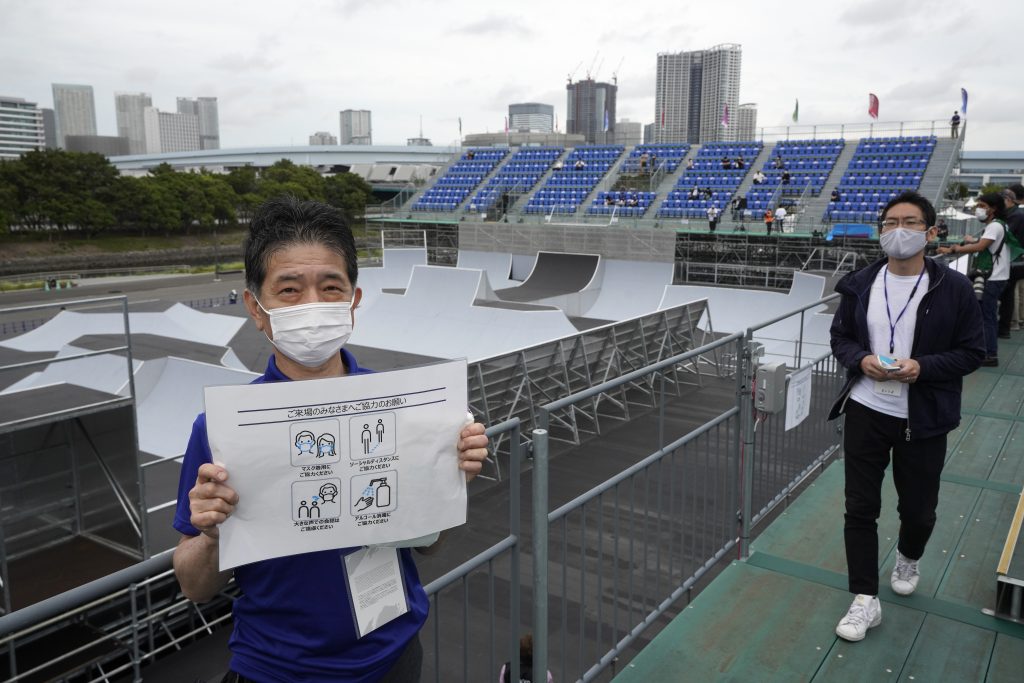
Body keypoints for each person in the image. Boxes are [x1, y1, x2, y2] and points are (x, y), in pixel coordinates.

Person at [173, 196, 490, 682]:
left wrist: (452, 480)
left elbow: (428, 545)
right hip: (276, 668)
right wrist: (213, 533)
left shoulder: (406, 411)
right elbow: (195, 586)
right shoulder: (220, 429)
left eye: (330, 287)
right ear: (256, 308)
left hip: (394, 654)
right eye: (290, 290)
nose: (313, 306)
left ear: (353, 301)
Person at [829, 190, 984, 643]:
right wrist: (860, 360)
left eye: (911, 222)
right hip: (866, 408)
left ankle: (909, 554)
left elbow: (973, 351)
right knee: (859, 506)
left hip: (925, 416)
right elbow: (840, 338)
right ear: (881, 231)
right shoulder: (860, 283)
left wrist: (924, 367)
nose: (899, 230)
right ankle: (864, 598)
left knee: (917, 510)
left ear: (931, 232)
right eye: (891, 222)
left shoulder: (951, 288)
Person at [937, 192, 1011, 366]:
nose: (979, 209)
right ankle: (988, 351)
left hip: (992, 276)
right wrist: (973, 240)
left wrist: (952, 250)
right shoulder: (1000, 225)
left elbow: (981, 246)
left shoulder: (994, 226)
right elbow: (986, 242)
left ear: (993, 209)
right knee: (987, 314)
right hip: (998, 275)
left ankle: (990, 354)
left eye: (982, 206)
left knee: (987, 316)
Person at [996, 187, 1024, 338]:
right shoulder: (1017, 214)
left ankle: (1006, 326)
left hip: (1013, 261)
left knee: (1007, 295)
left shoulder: (1015, 216)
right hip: (1016, 261)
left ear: (1008, 200)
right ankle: (1007, 325)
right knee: (1010, 294)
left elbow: (1003, 236)